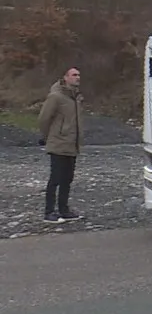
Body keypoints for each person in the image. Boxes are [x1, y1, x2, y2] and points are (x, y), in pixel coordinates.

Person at [37, 67, 85, 223]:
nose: (77, 77)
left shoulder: (76, 98)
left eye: (78, 75)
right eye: (74, 75)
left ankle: (64, 210)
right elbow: (44, 119)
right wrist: (48, 137)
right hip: (58, 143)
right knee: (55, 178)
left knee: (67, 179)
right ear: (65, 77)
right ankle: (49, 212)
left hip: (72, 145)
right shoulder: (56, 97)